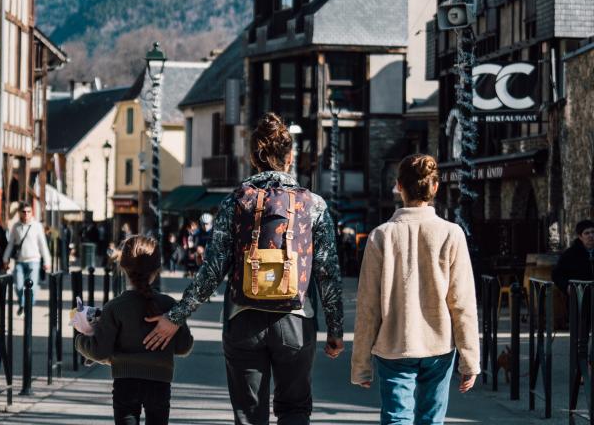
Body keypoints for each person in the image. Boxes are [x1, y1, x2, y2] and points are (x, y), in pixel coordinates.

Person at [143, 112, 344, 425]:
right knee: (295, 410)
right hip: (295, 317)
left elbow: (212, 271)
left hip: (242, 318)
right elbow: (327, 271)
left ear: (254, 157)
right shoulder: (313, 205)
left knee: (249, 415)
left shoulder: (236, 201)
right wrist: (334, 329)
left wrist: (175, 317)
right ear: (290, 157)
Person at [351, 154, 480, 425]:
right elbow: (462, 301)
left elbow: (368, 306)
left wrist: (361, 364)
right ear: (435, 187)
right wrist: (470, 360)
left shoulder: (381, 236)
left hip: (394, 343)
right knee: (432, 419)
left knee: (397, 418)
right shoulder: (451, 233)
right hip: (438, 344)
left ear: (399, 186)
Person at [75, 235, 193, 425]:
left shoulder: (115, 307)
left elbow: (99, 351)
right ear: (157, 270)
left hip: (125, 381)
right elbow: (184, 346)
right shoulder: (169, 305)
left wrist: (80, 341)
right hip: (160, 382)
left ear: (122, 267)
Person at [2, 202, 52, 315]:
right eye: (24, 212)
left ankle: (28, 306)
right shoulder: (16, 226)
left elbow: (42, 244)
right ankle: (22, 304)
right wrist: (5, 259)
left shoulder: (37, 226)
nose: (26, 214)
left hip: (34, 261)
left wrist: (47, 261)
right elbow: (10, 244)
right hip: (20, 261)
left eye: (28, 212)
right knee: (19, 286)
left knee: (32, 287)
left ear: (31, 213)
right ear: (20, 213)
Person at [552, 219, 594, 294]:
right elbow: (557, 275)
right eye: (587, 233)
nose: (591, 235)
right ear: (580, 237)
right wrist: (566, 287)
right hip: (579, 299)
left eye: (593, 232)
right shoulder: (570, 254)